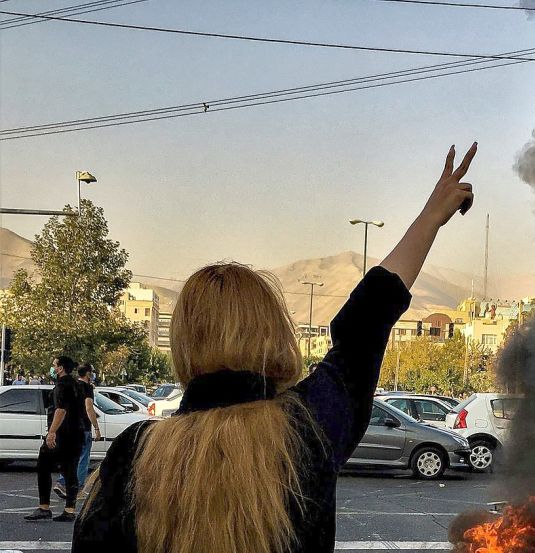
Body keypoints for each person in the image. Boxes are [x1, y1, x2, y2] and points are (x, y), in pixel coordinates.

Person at [74, 143, 478, 552]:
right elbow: (364, 324)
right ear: (273, 332)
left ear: (183, 342)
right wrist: (430, 218)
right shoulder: (308, 428)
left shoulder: (135, 454)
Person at [24, 356, 86, 522]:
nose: (52, 368)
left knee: (43, 465)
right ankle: (69, 510)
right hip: (76, 434)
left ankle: (44, 507)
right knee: (70, 471)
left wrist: (51, 432)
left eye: (54, 365)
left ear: (60, 368)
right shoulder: (77, 385)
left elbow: (61, 410)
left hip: (62, 435)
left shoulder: (61, 386)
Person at [54, 363, 101, 500]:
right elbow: (88, 407)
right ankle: (78, 488)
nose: (92, 374)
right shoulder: (87, 388)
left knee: (70, 457)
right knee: (83, 458)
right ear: (87, 373)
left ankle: (62, 482)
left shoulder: (73, 385)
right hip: (83, 428)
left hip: (70, 426)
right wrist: (96, 427)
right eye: (91, 372)